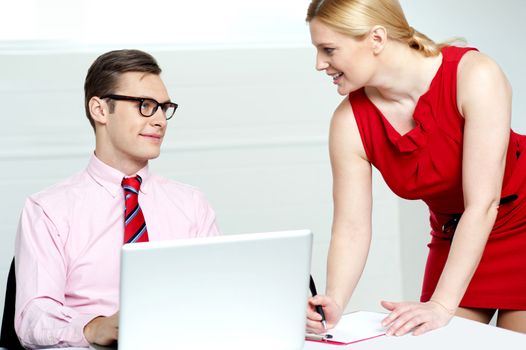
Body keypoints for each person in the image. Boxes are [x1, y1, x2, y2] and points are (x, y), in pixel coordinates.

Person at [305, 0, 526, 337]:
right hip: (455, 234)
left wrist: (442, 304)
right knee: (435, 339)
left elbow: (482, 203)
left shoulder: (475, 75)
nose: (320, 64)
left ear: (376, 39)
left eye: (329, 49)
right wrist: (334, 300)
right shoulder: (349, 121)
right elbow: (351, 227)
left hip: (517, 219)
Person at [14, 49, 220, 348]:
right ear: (99, 110)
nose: (161, 120)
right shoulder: (47, 210)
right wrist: (94, 328)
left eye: (165, 107)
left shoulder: (192, 204)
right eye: (145, 106)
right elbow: (33, 316)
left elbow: (217, 296)